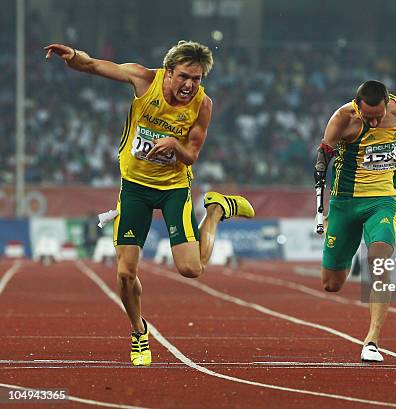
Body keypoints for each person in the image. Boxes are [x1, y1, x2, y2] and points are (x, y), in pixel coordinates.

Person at [44, 41, 254, 366]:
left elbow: (193, 155)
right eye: (184, 76)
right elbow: (93, 65)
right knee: (125, 273)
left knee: (191, 269)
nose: (189, 85)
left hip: (172, 188)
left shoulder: (203, 104)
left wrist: (174, 145)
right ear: (168, 71)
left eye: (196, 79)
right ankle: (139, 331)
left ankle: (215, 210)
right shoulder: (143, 79)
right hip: (135, 188)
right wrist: (73, 57)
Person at [314, 80, 396, 361]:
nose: (373, 122)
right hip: (344, 203)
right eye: (367, 117)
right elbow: (322, 155)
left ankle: (372, 340)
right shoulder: (342, 119)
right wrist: (322, 166)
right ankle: (343, 252)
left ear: (387, 103)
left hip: (382, 201)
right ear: (356, 106)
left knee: (380, 260)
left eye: (378, 116)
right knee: (331, 284)